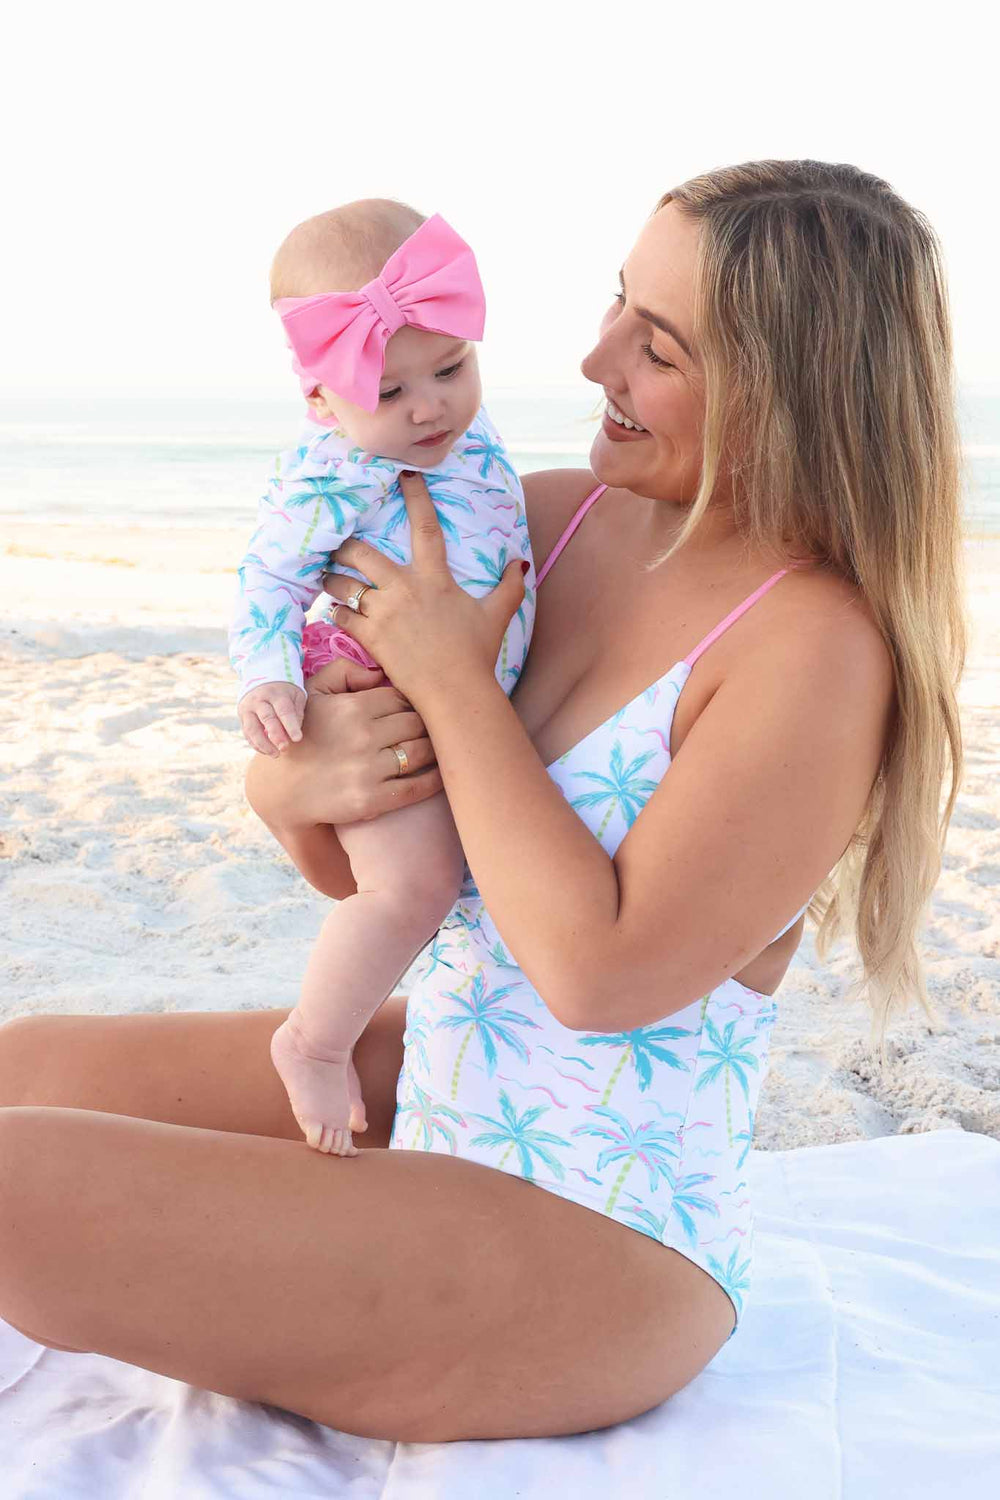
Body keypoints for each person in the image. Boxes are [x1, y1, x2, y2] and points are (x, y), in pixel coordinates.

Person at [0, 161, 964, 1445]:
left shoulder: (813, 650)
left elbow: (598, 978)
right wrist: (290, 776)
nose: (590, 357)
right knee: (21, 1072)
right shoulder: (540, 525)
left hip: (598, 1243)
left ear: (781, 389)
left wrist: (455, 685)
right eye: (617, 301)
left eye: (654, 343)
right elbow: (356, 865)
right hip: (448, 1091)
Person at [229, 200, 534, 1155]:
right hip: (372, 688)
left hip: (450, 695)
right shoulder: (332, 473)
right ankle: (315, 1040)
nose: (429, 406)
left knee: (450, 879)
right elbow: (267, 578)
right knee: (414, 887)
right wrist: (270, 678)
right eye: (391, 391)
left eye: (451, 369)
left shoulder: (466, 446)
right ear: (323, 401)